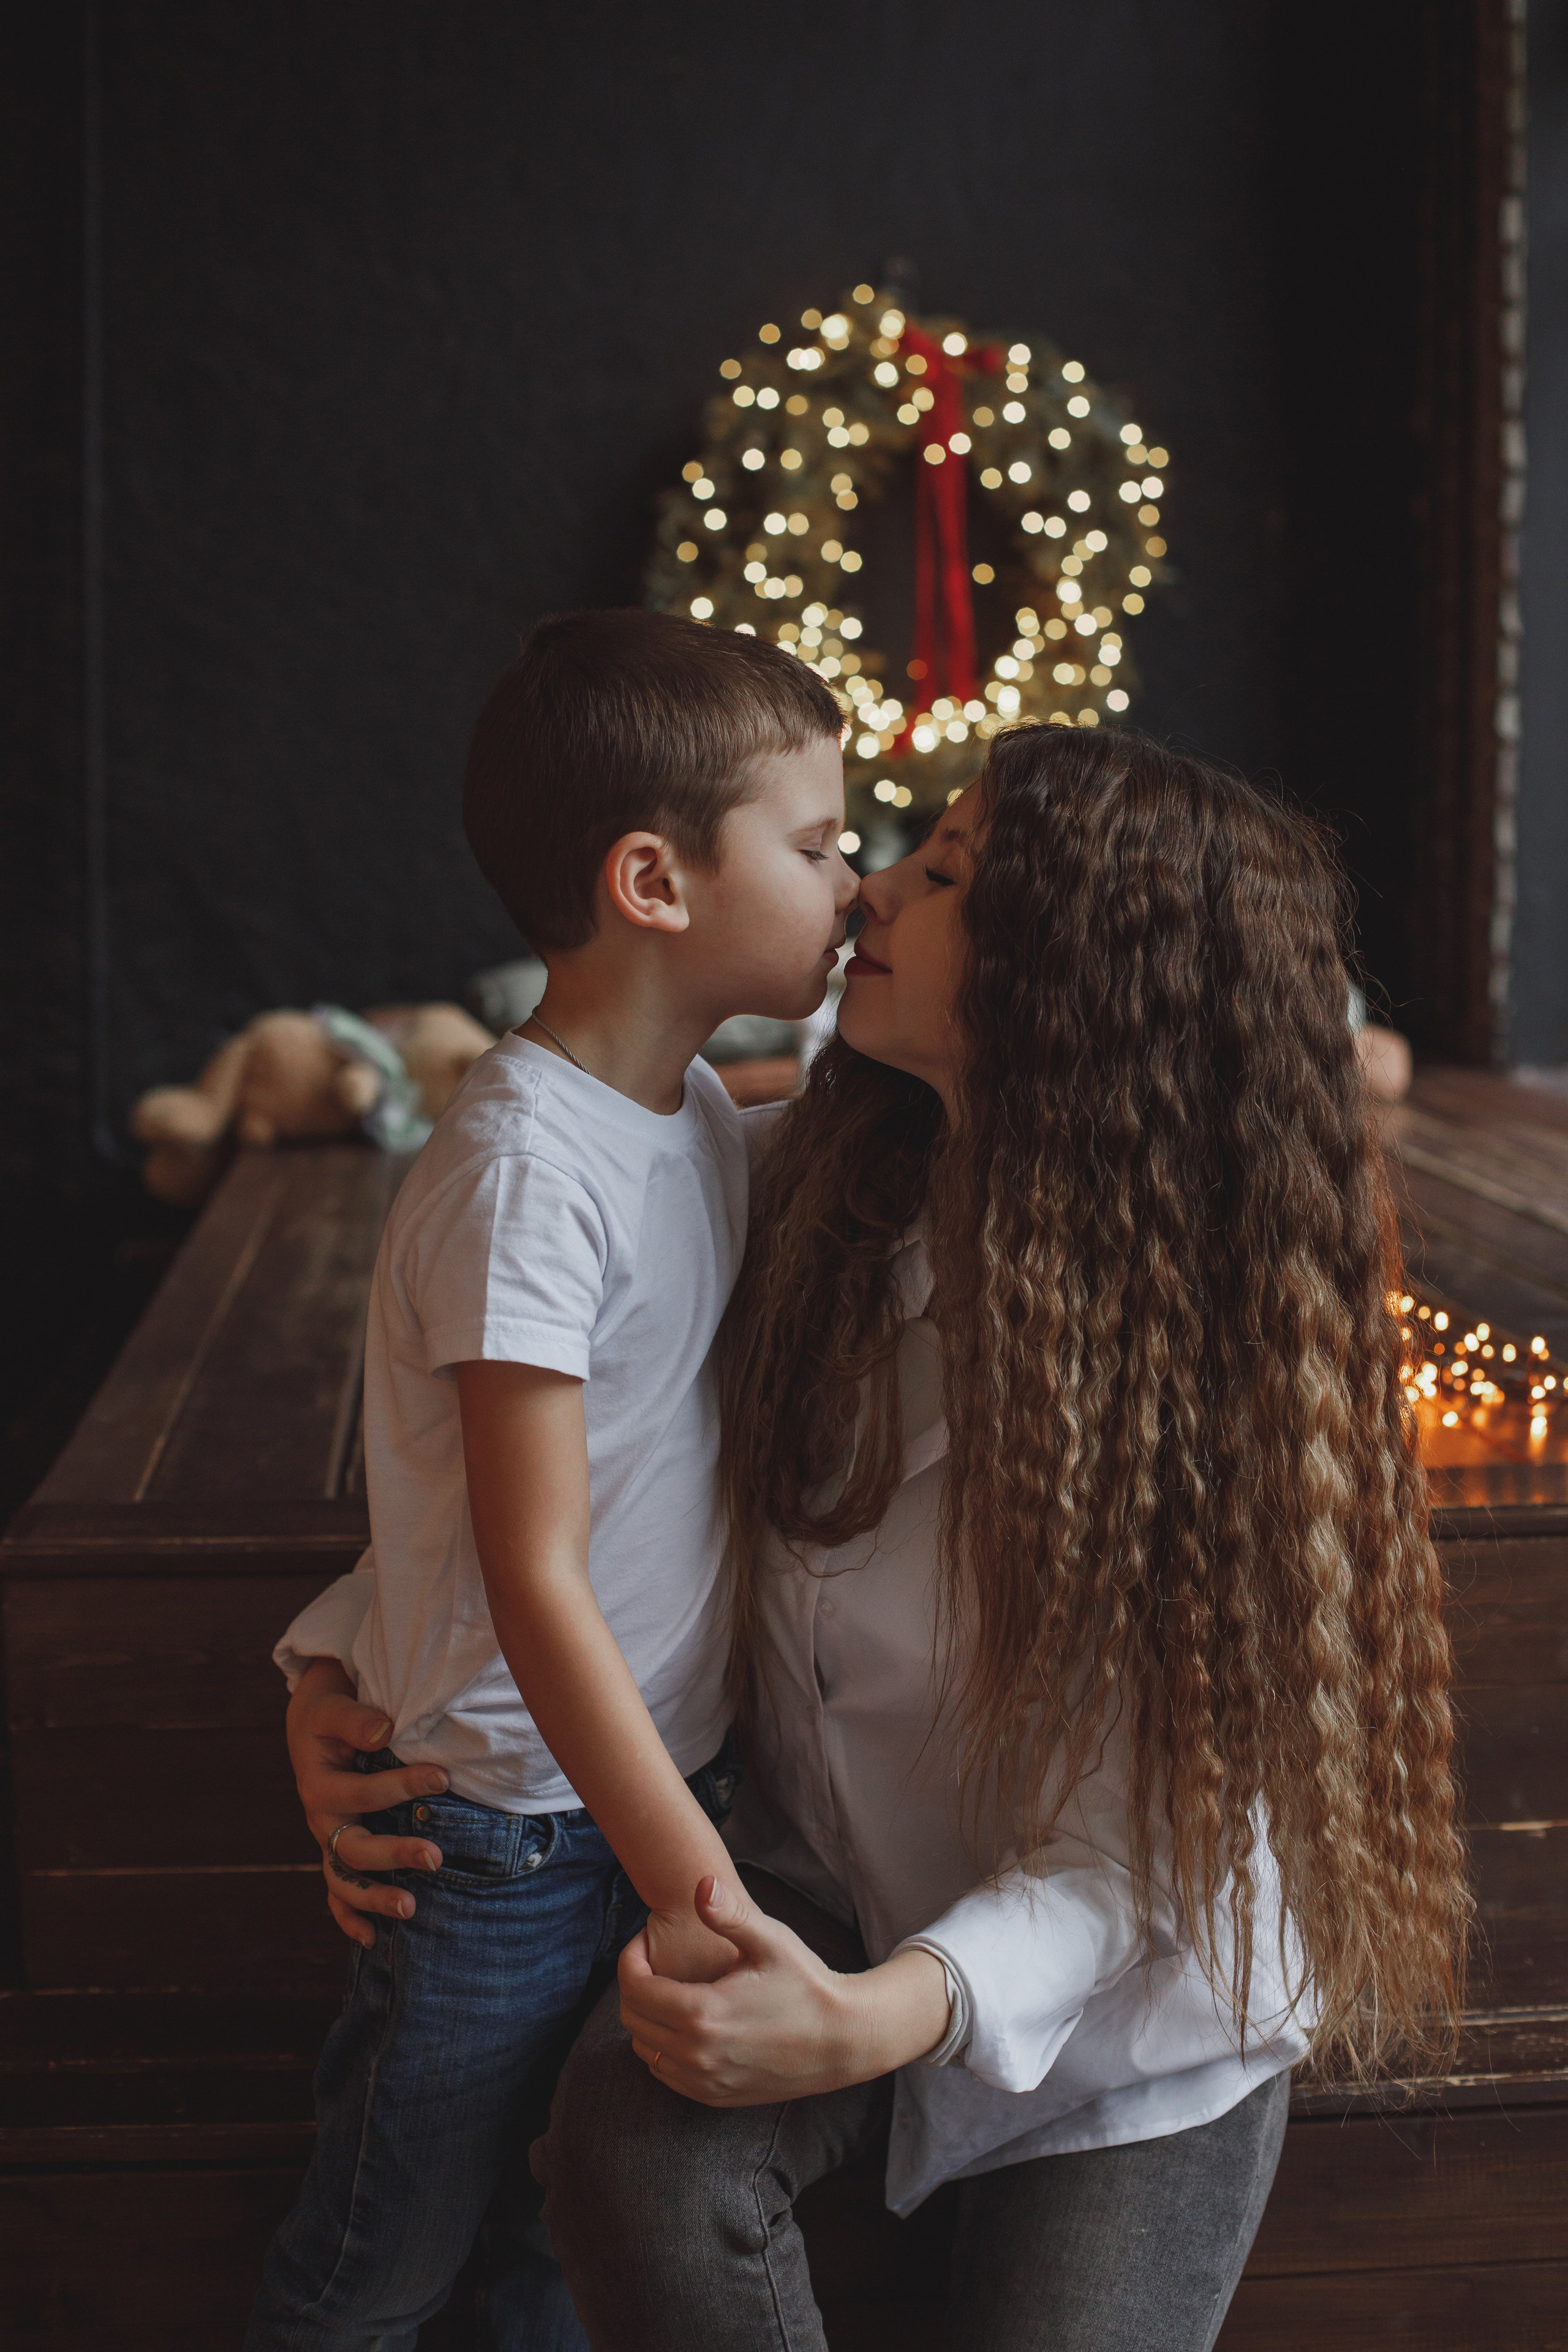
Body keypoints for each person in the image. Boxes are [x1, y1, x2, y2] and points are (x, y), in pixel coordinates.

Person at [300, 726, 1469, 2351]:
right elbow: (550, 1438)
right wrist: (350, 1668)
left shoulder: (1221, 1381)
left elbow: (1142, 1865)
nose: (869, 894)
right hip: (822, 1883)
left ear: (1075, 984)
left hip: (1132, 2014)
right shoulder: (791, 1189)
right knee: (632, 2173)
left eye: (943, 873)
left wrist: (868, 2020)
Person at [246, 608, 857, 2351]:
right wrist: (698, 1881)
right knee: (380, 2259)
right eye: (816, 848)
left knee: (562, 2246)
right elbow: (535, 1573)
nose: (853, 886)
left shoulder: (680, 1117)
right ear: (655, 882)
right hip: (510, 1838)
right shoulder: (527, 1173)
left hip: (651, 1800)